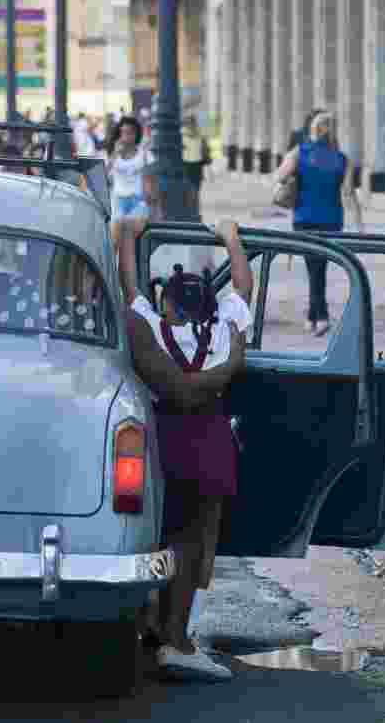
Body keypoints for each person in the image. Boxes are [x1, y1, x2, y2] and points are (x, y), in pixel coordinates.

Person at [118, 217, 252, 682]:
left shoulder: (150, 327)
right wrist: (231, 239)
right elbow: (243, 285)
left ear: (168, 304)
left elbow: (129, 284)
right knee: (195, 541)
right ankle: (177, 637)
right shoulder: (223, 333)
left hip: (164, 438)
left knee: (160, 534)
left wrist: (128, 239)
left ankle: (157, 624)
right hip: (210, 437)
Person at [274, 108, 363, 337]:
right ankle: (313, 316)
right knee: (318, 267)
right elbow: (348, 191)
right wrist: (360, 222)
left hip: (304, 218)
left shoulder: (300, 152)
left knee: (314, 268)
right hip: (332, 220)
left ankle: (320, 316)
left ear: (312, 130)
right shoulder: (343, 159)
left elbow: (280, 177)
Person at [107, 116, 152, 255]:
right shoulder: (113, 154)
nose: (126, 136)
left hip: (138, 201)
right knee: (116, 235)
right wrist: (115, 153)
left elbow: (149, 179)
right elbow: (106, 176)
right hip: (118, 200)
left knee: (128, 238)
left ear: (136, 134)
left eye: (129, 132)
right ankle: (111, 266)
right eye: (123, 133)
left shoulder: (144, 154)